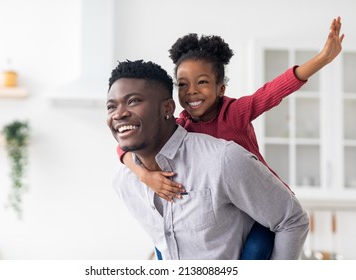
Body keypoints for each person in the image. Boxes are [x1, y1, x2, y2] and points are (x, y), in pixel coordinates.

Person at [116, 17, 344, 259]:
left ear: (221, 88)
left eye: (202, 82)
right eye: (183, 84)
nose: (191, 90)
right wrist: (145, 176)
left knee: (257, 249)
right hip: (224, 210)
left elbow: (276, 90)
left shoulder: (235, 113)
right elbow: (126, 148)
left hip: (258, 208)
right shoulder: (182, 125)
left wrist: (323, 58)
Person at [106, 59, 309, 260]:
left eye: (133, 101)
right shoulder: (124, 180)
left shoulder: (224, 159)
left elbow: (292, 220)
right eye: (111, 106)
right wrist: (143, 174)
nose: (119, 114)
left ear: (168, 108)